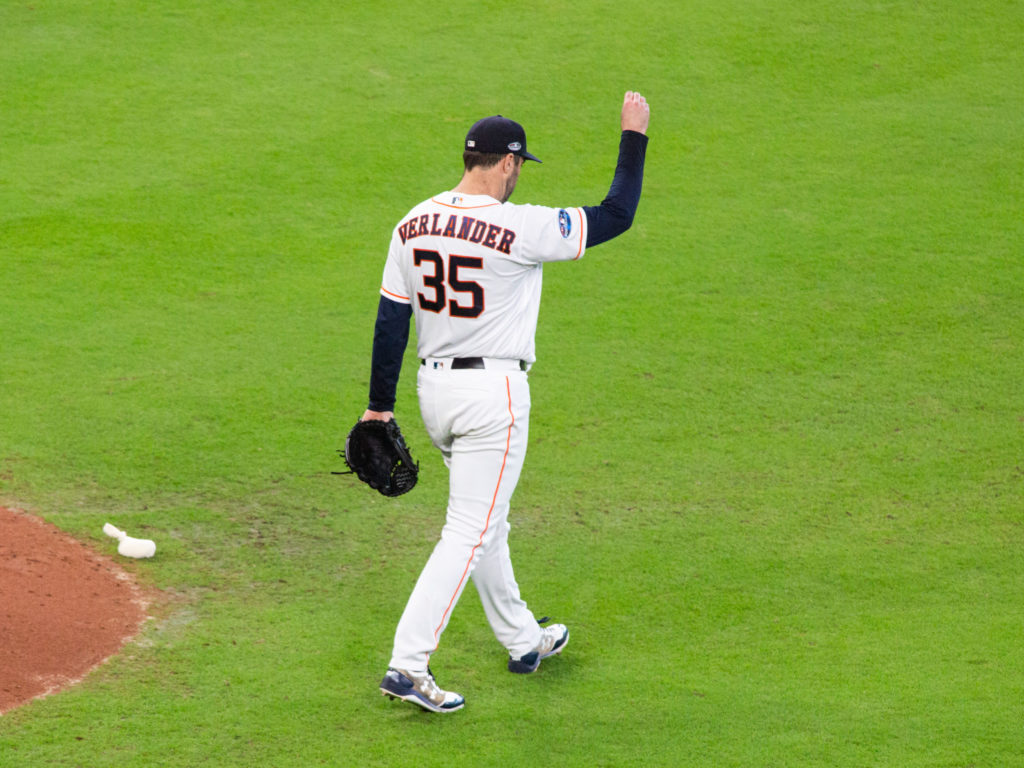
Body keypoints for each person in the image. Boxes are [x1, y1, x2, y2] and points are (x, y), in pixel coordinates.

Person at [363, 91, 650, 713]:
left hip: (434, 393)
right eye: (520, 167)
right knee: (467, 529)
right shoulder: (521, 226)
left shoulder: (410, 222)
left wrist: (378, 408)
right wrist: (634, 136)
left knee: (485, 520)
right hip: (492, 397)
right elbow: (617, 213)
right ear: (507, 164)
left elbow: (392, 318)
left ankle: (523, 640)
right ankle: (408, 665)